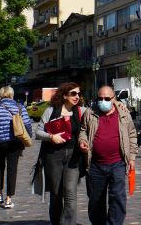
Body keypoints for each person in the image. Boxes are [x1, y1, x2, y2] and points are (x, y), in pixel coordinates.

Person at [79, 85, 137, 225]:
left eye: (106, 98)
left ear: (114, 99)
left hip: (117, 163)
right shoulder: (90, 112)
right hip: (95, 165)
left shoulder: (123, 113)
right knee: (95, 200)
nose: (102, 101)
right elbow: (83, 130)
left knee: (117, 198)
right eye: (100, 98)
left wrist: (132, 157)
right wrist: (83, 140)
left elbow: (132, 135)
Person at [36, 82, 87, 225]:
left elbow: (95, 118)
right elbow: (38, 132)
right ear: (64, 95)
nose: (77, 96)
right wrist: (51, 137)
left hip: (73, 157)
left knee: (70, 193)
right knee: (56, 194)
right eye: (73, 93)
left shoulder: (81, 111)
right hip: (53, 156)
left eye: (78, 93)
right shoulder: (51, 111)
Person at [0, 86, 32, 209]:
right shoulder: (20, 107)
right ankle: (9, 199)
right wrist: (28, 137)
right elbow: (27, 124)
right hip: (15, 142)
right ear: (12, 94)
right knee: (12, 169)